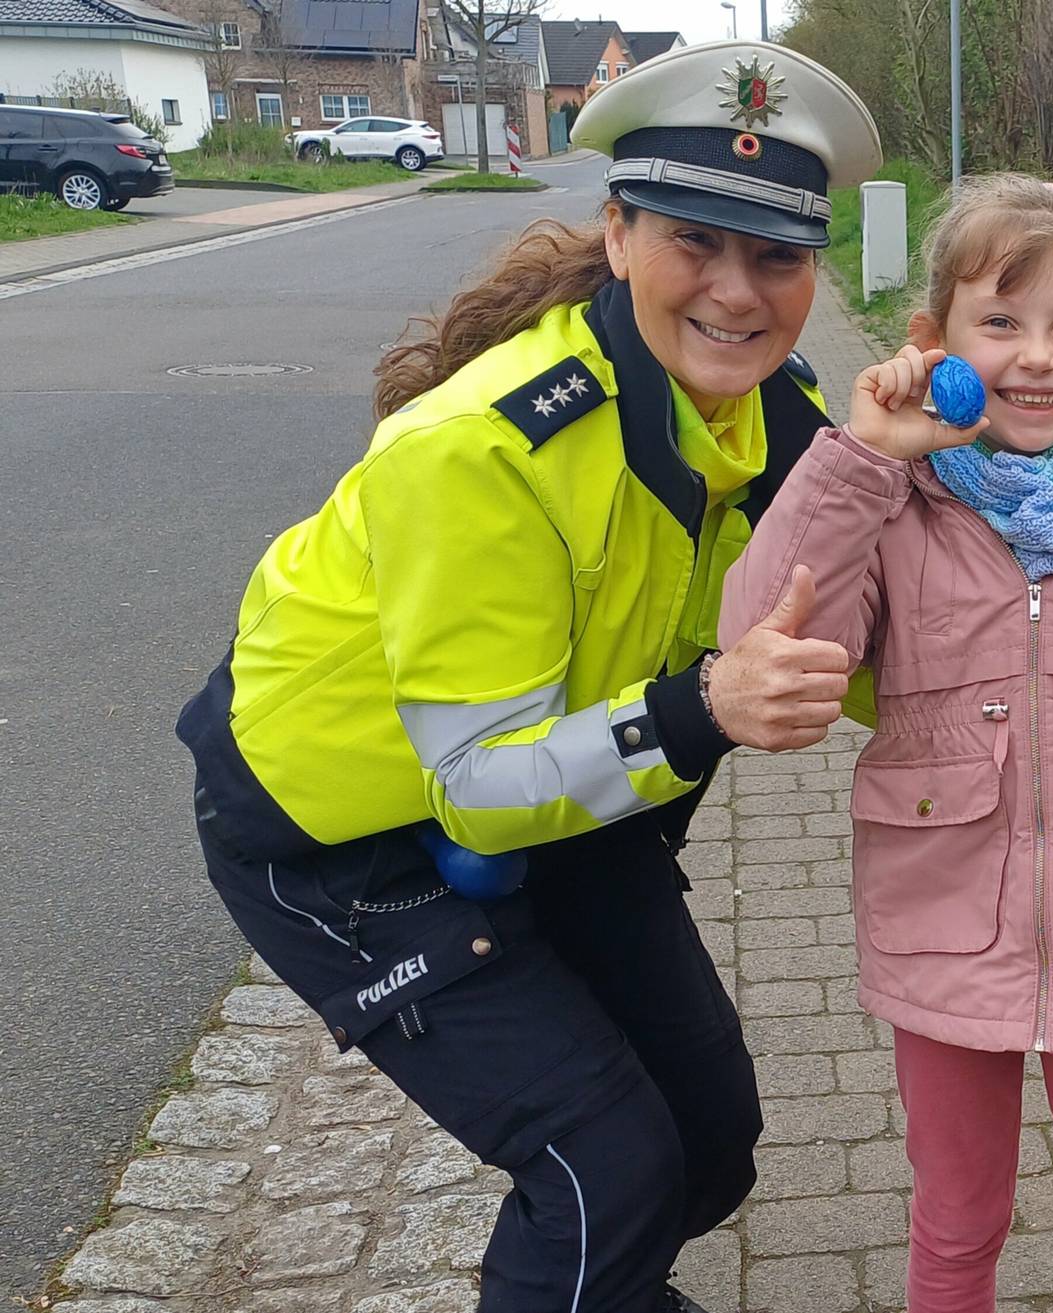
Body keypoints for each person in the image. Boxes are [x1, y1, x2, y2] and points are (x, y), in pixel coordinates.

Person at [175, 41, 882, 1312]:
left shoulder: (782, 421)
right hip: (348, 831)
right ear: (617, 236)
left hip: (570, 770)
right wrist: (707, 707)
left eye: (776, 255)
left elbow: (881, 652)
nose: (737, 291)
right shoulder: (486, 451)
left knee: (708, 1141)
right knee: (603, 1170)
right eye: (692, 241)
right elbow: (480, 796)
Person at [719, 174, 1053, 1313]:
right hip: (942, 914)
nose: (1035, 357)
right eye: (999, 323)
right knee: (956, 1219)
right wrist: (860, 454)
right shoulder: (894, 490)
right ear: (933, 342)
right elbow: (768, 629)